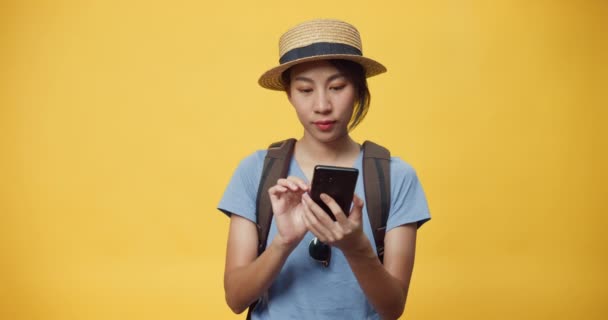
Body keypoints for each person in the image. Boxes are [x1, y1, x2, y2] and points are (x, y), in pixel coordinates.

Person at [218, 19, 431, 320]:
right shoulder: (256, 170)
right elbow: (236, 299)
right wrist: (284, 242)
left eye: (337, 87)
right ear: (289, 94)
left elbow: (392, 307)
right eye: (305, 89)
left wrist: (357, 248)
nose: (322, 105)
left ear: (358, 89)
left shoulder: (395, 177)